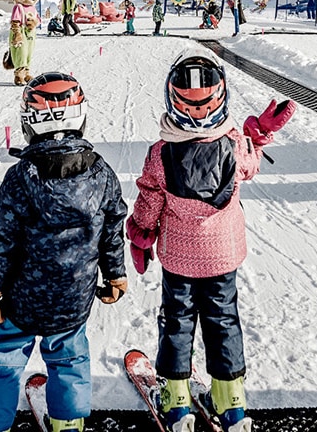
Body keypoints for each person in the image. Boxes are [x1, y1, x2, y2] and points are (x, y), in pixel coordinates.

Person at [126, 54, 293, 432]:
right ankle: (231, 403)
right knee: (223, 321)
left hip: (180, 260)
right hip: (222, 256)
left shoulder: (161, 153)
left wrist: (140, 234)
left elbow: (150, 199)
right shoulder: (234, 145)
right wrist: (257, 132)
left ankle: (177, 402)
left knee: (177, 323)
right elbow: (251, 163)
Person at [0, 72, 129, 432]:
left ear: (30, 121)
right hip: (74, 298)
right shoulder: (102, 174)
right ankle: (69, 423)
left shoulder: (21, 177)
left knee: (3, 355)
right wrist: (116, 273)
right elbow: (112, 228)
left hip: (21, 299)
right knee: (70, 358)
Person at [9, 0, 40, 85]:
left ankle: (26, 73)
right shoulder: (19, 7)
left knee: (28, 53)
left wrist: (34, 23)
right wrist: (17, 33)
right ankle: (19, 75)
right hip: (21, 32)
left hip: (30, 33)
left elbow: (38, 20)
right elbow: (15, 21)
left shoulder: (33, 8)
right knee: (21, 53)